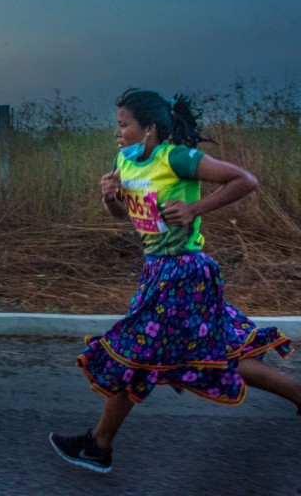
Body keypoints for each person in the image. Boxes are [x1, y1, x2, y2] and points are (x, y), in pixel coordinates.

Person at [48, 88, 301, 474]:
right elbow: (125, 218)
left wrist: (195, 208)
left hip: (184, 273)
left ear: (148, 127)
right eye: (116, 125)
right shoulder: (125, 162)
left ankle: (99, 446)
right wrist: (110, 199)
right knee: (219, 353)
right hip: (157, 272)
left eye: (123, 125)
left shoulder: (177, 158)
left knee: (130, 353)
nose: (117, 133)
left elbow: (245, 180)